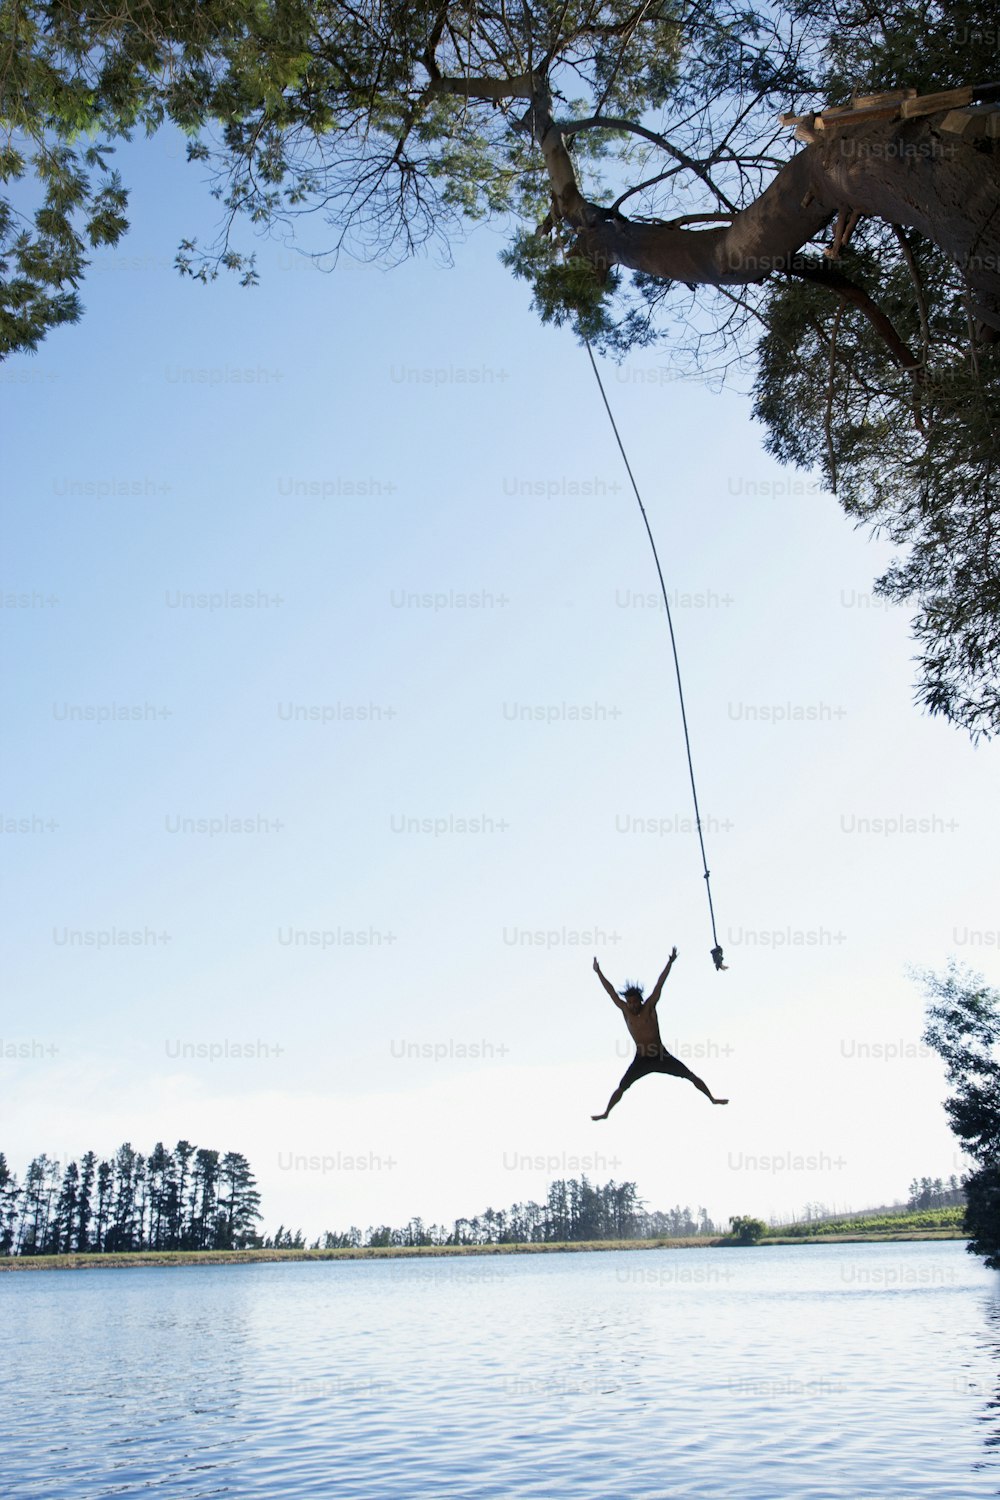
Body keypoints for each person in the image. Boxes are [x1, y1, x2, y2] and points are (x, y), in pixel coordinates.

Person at [591, 950, 729, 1118]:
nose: (633, 1005)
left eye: (635, 1002)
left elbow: (659, 984)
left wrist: (669, 963)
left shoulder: (649, 1007)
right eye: (630, 1002)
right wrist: (598, 972)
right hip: (642, 1059)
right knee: (622, 1086)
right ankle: (606, 1113)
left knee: (690, 1076)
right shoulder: (625, 1010)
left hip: (661, 1055)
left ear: (640, 1000)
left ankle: (712, 1098)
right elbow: (611, 992)